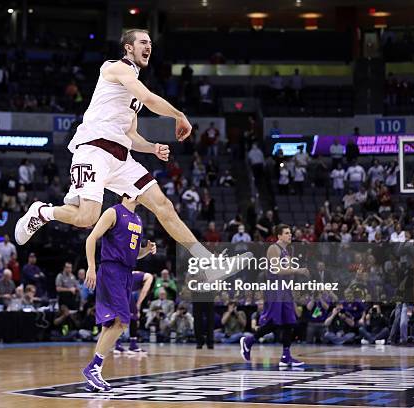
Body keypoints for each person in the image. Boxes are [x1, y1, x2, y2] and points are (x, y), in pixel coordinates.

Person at [13, 29, 246, 284]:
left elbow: (131, 134)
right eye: (143, 42)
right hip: (94, 150)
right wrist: (179, 115)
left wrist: (152, 147)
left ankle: (207, 262)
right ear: (128, 48)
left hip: (121, 158)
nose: (149, 47)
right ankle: (43, 212)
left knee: (164, 206)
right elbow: (148, 98)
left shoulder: (131, 90)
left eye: (150, 43)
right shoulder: (115, 68)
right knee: (87, 218)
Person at [81, 196, 156, 391]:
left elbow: (133, 253)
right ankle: (93, 367)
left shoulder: (138, 219)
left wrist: (146, 250)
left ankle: (94, 374)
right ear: (125, 192)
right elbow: (91, 238)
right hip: (111, 270)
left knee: (111, 324)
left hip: (126, 273)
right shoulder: (113, 212)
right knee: (123, 320)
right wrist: (91, 267)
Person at [240, 224, 309, 367]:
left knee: (289, 322)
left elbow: (288, 272)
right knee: (274, 322)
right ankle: (248, 341)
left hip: (285, 289)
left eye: (290, 232)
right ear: (279, 236)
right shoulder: (273, 249)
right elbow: (277, 270)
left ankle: (286, 356)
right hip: (274, 288)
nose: (290, 235)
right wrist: (298, 270)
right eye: (287, 233)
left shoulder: (287, 251)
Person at [114, 270, 153, 354]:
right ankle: (133, 346)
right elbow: (144, 291)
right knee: (134, 317)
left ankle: (118, 345)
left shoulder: (136, 274)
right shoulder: (149, 277)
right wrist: (138, 305)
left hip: (114, 289)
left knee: (120, 318)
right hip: (123, 291)